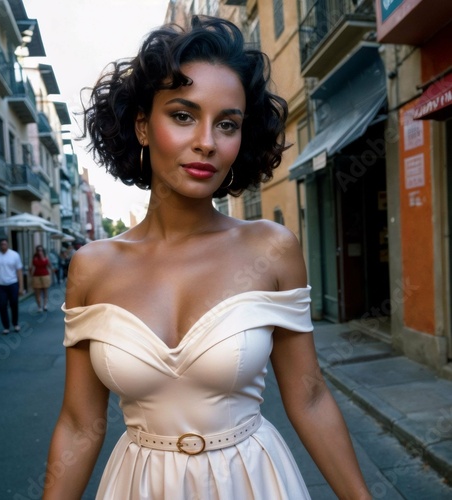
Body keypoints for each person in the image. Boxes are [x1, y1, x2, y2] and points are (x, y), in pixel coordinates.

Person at [44, 17, 370, 500]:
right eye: (182, 115)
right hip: (141, 487)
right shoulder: (92, 266)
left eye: (227, 124)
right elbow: (79, 424)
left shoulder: (272, 248)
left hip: (254, 482)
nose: (207, 142)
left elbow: (309, 396)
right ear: (142, 126)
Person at [0, 238, 24, 335]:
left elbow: (19, 271)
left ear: (8, 244)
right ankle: (6, 326)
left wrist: (21, 287)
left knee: (14, 304)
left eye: (5, 244)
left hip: (12, 283)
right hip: (0, 285)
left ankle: (15, 323)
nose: (3, 246)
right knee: (2, 305)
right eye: (1, 244)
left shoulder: (14, 255)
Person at [30, 245, 52, 312]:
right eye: (38, 250)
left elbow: (49, 266)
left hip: (45, 275)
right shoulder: (34, 258)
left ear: (43, 251)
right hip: (36, 276)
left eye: (41, 250)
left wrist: (50, 274)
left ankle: (45, 305)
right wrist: (30, 276)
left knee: (45, 292)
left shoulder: (46, 257)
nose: (40, 251)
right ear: (36, 251)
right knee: (37, 292)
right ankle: (39, 306)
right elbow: (31, 267)